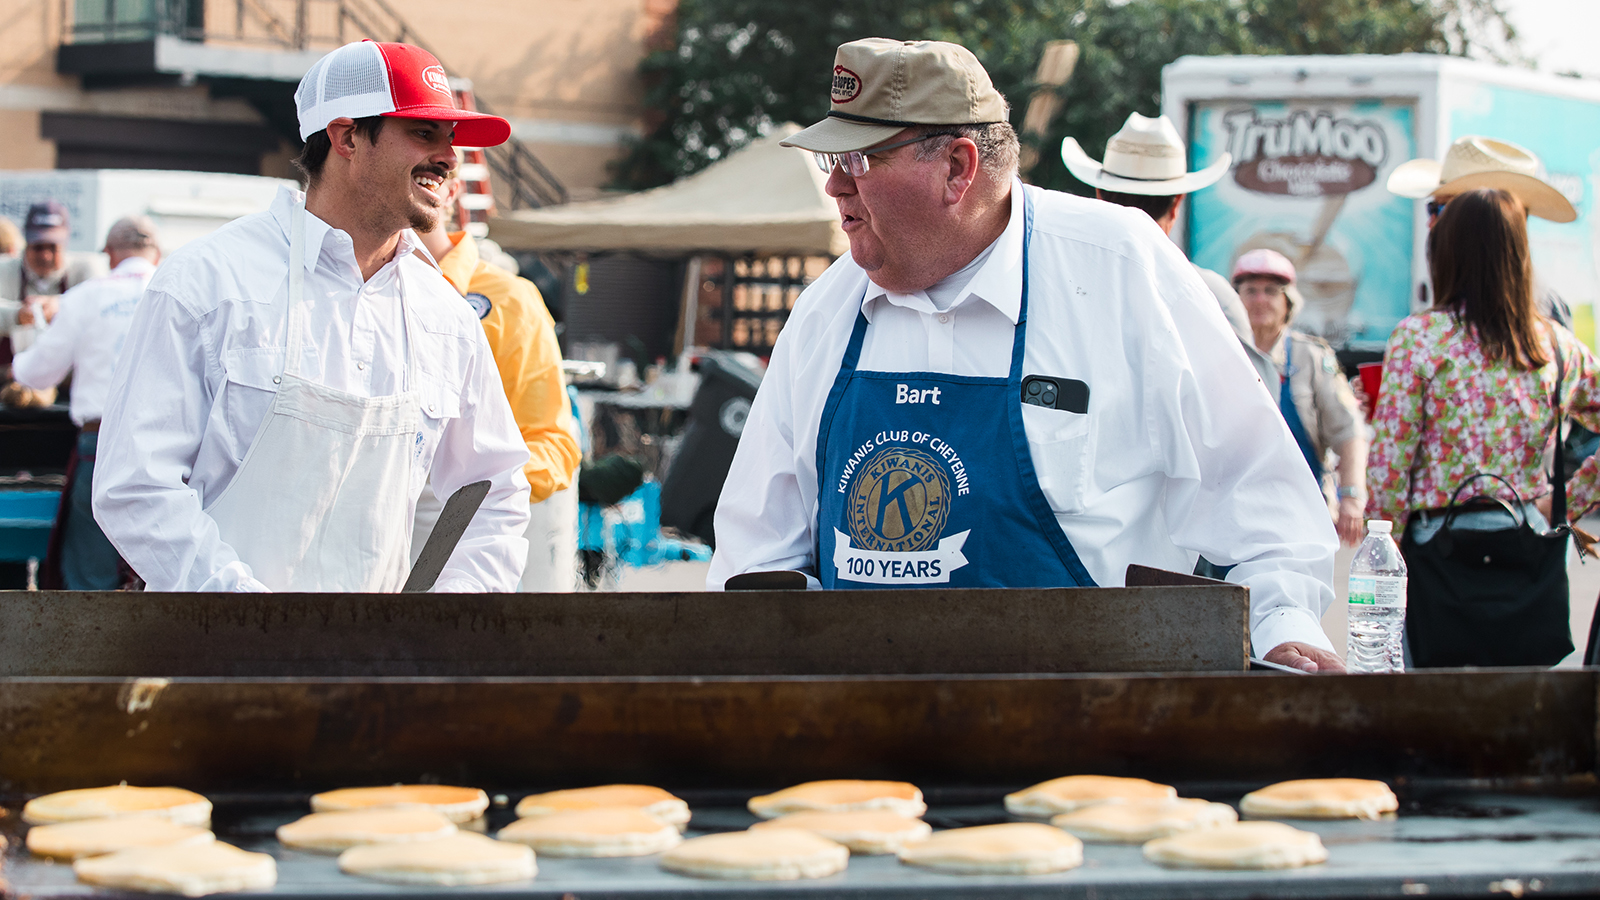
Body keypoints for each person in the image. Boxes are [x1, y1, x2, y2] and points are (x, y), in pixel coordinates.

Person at [708, 38, 1345, 673]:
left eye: (861, 159)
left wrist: (1283, 626)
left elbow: (1261, 498)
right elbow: (757, 554)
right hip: (868, 734)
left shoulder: (1119, 269)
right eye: (832, 159)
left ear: (958, 168)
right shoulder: (824, 313)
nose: (837, 186)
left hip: (1090, 733)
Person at [93, 40, 532, 592]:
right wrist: (249, 618)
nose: (449, 157)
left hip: (370, 670)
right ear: (346, 136)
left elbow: (494, 491)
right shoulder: (208, 284)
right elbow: (135, 486)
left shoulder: (444, 316)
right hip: (209, 659)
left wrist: (441, 624)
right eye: (424, 133)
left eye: (451, 138)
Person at [1368, 187, 1600, 538]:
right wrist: (1568, 501)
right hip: (1532, 539)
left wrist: (1387, 544)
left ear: (1446, 251)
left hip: (1439, 541)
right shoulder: (1554, 343)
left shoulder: (1419, 338)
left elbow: (1391, 461)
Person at [412, 173, 583, 591]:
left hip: (460, 557)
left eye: (428, 174)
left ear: (450, 190)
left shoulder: (509, 301)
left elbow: (553, 444)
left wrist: (475, 488)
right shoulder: (350, 287)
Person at [1062, 113, 1275, 389]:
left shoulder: (1063, 284)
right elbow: (1253, 401)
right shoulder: (1212, 296)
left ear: (1099, 194)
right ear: (1176, 204)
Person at [10, 217, 161, 589]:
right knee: (163, 568)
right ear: (158, 254)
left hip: (102, 446)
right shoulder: (184, 288)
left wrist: (22, 344)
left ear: (110, 254)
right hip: (173, 447)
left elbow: (34, 375)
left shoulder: (87, 296)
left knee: (92, 573)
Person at [1231, 249, 1367, 546]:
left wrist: (1352, 497)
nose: (1260, 300)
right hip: (1231, 513)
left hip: (1302, 513)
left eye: (1270, 291)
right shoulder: (1223, 353)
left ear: (1288, 301)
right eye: (1250, 291)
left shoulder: (1311, 356)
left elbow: (1348, 430)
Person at [0, 201, 107, 353]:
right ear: (26, 242)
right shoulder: (5, 270)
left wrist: (61, 306)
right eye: (38, 247)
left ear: (65, 242)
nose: (45, 255)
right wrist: (18, 314)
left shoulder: (85, 268)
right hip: (10, 373)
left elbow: (102, 307)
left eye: (52, 247)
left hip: (71, 374)